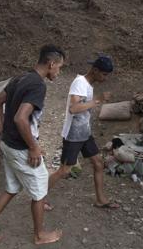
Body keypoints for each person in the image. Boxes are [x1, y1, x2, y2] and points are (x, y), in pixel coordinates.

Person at [0, 44, 65, 245]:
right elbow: (20, 118)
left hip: (8, 144)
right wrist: (33, 147)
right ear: (51, 64)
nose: (59, 72)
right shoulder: (37, 85)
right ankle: (39, 235)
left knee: (11, 188)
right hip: (20, 149)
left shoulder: (19, 78)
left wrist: (3, 129)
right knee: (40, 190)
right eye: (59, 67)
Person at [48, 55, 117, 209]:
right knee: (64, 170)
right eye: (104, 74)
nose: (105, 78)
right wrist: (97, 100)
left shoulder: (88, 85)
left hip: (84, 133)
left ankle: (100, 199)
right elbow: (74, 109)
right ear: (95, 70)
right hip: (74, 134)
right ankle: (39, 198)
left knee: (98, 163)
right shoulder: (80, 83)